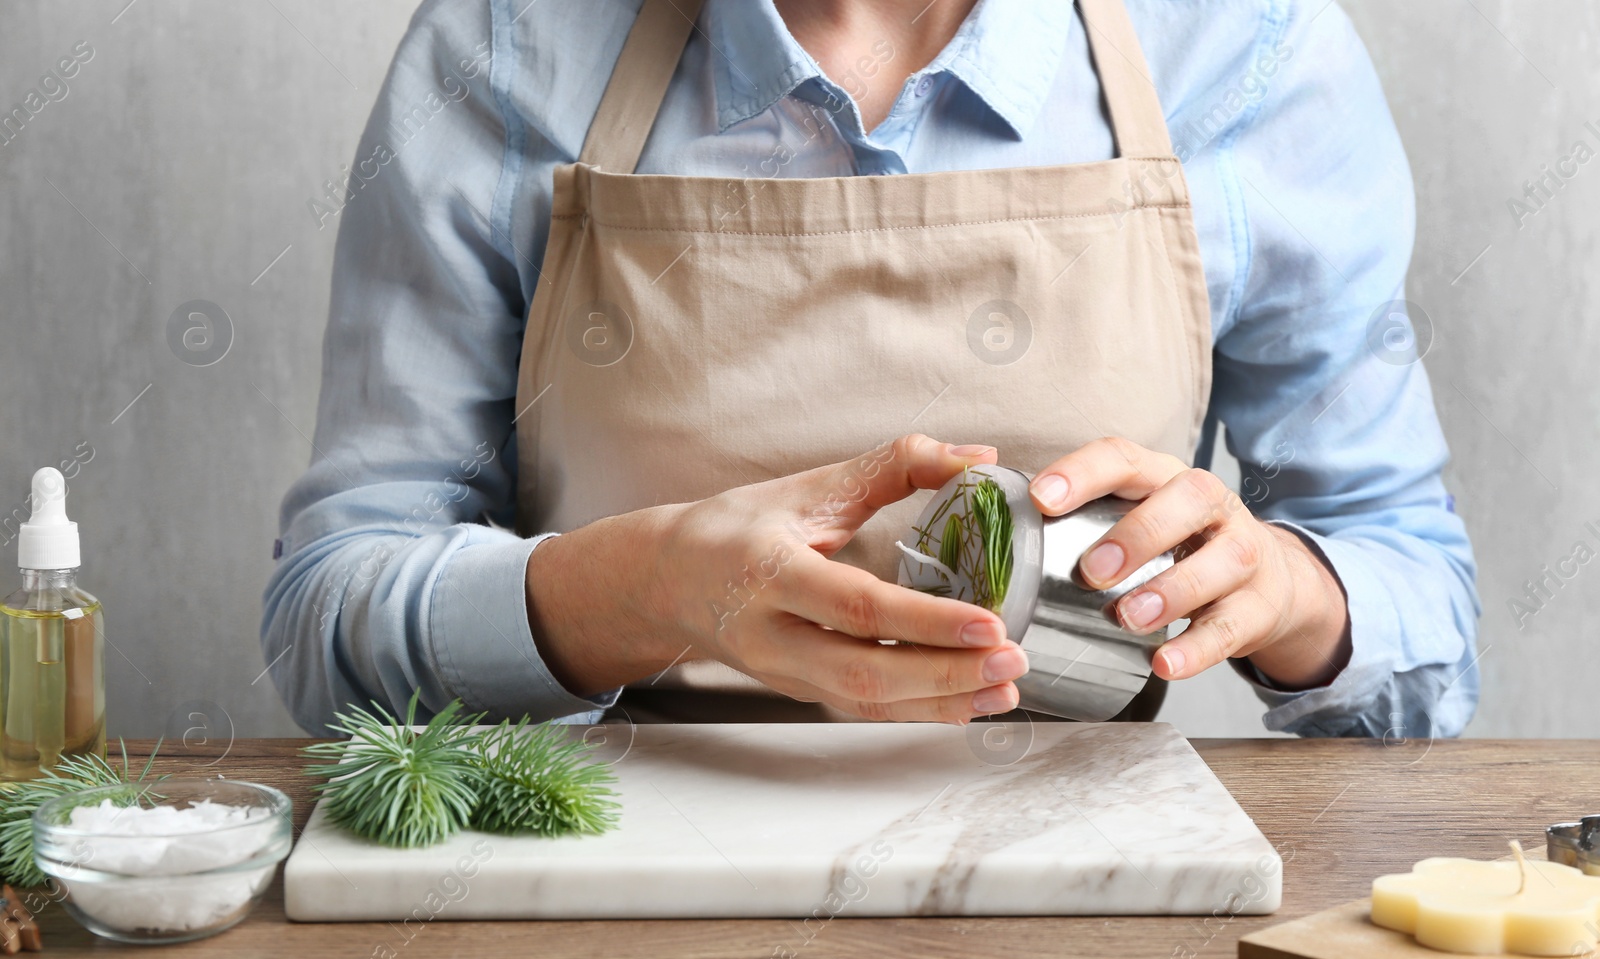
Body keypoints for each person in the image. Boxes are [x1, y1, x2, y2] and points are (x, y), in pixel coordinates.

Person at [262, 0, 1479, 739]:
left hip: (1087, 908)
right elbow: (328, 615)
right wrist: (641, 590)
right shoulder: (500, 53)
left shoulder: (1248, 51)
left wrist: (1288, 591)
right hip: (600, 889)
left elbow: (1413, 593)